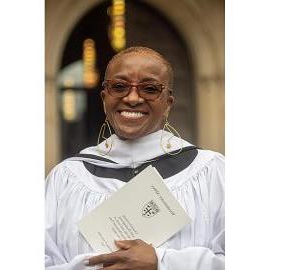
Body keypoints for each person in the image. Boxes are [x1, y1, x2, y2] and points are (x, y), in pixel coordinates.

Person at [45, 46, 225, 270]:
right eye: (119, 87)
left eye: (149, 89)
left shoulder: (210, 172)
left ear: (168, 103)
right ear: (104, 98)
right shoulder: (66, 179)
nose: (132, 98)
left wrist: (162, 263)